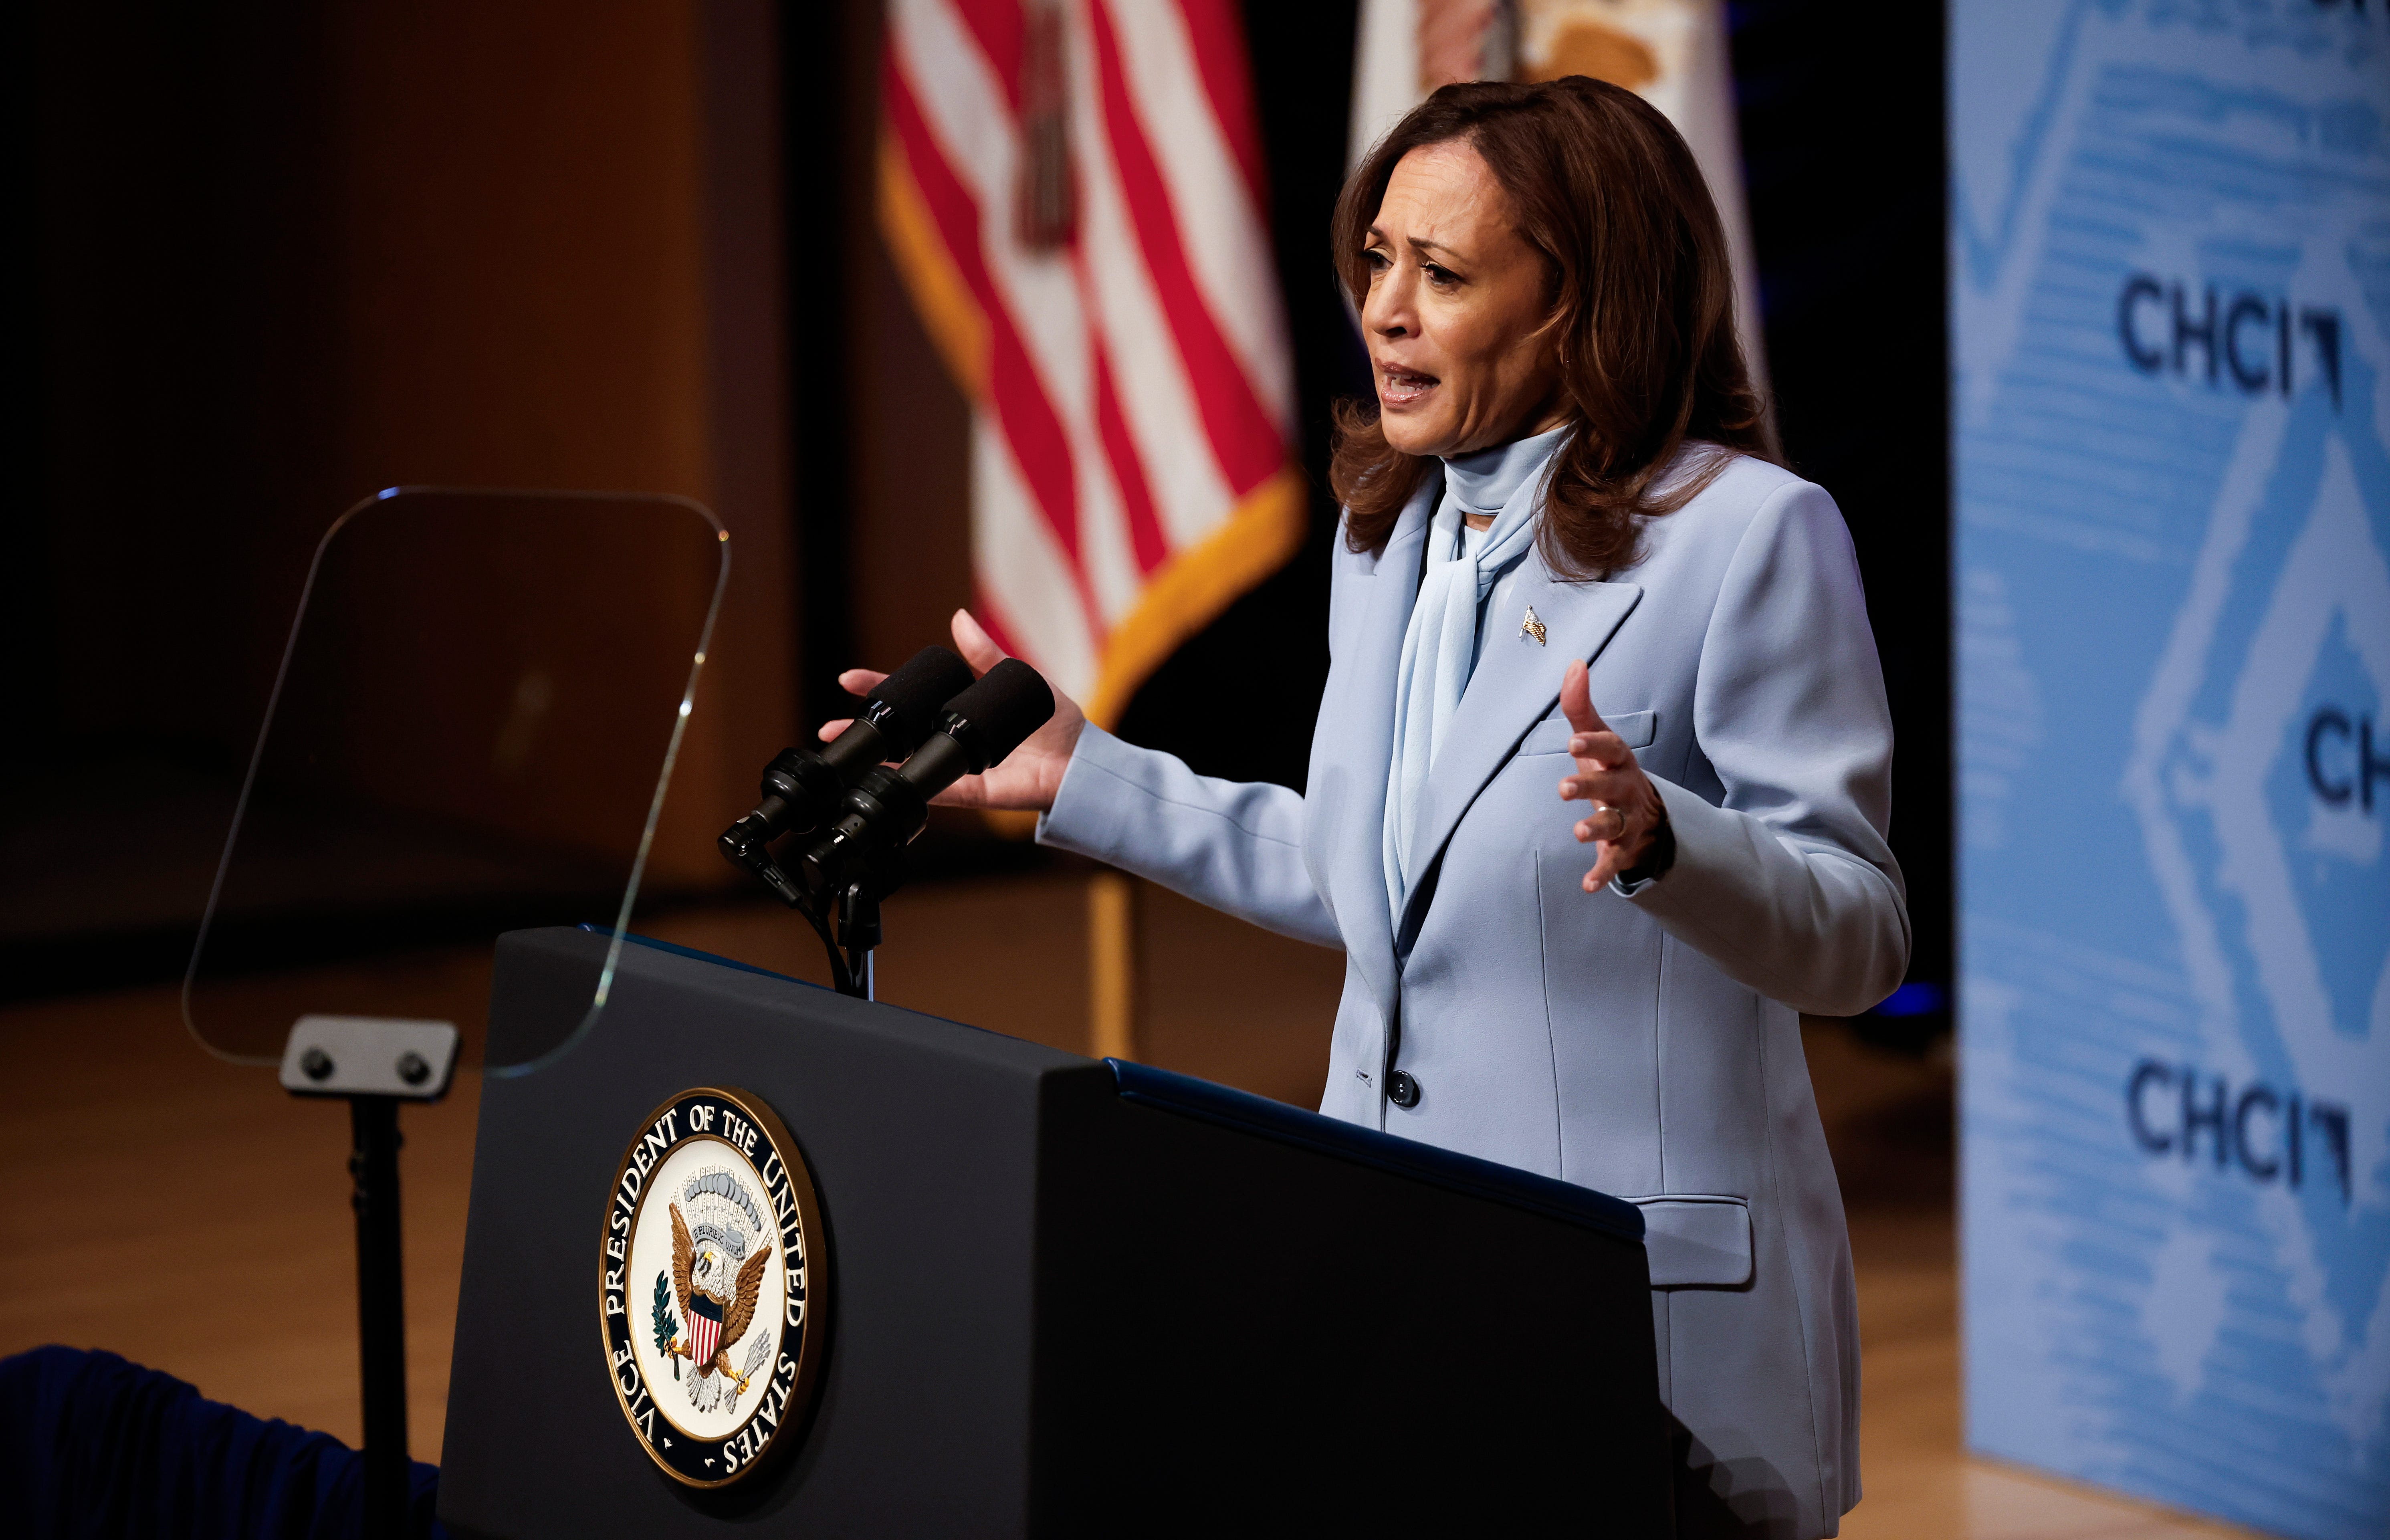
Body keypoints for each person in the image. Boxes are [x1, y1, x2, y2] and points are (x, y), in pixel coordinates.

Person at [836, 78, 1906, 1539]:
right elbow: (1378, 883)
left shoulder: (1747, 537)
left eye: (1444, 274)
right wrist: (1088, 779)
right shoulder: (1392, 526)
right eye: (1377, 260)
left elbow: (1859, 936)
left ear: (1580, 307)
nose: (1385, 311)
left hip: (1640, 1330)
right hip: (1402, 1278)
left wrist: (1672, 843)